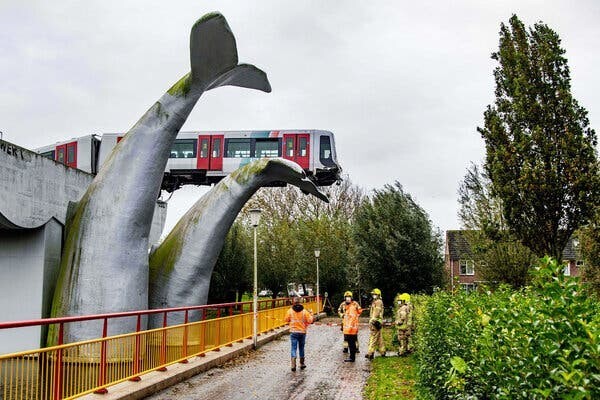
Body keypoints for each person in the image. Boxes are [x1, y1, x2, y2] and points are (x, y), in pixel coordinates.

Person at [284, 296, 314, 371]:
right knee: (301, 348)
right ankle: (302, 363)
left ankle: (293, 364)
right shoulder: (304, 312)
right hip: (302, 332)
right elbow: (310, 321)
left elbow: (286, 319)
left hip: (293, 332)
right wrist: (311, 314)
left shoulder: (290, 311)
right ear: (300, 302)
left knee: (293, 348)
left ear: (293, 302)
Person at [338, 291, 362, 362]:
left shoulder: (354, 304)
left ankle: (353, 354)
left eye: (349, 297)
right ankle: (346, 349)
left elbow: (359, 311)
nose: (348, 299)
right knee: (347, 339)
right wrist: (342, 315)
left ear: (351, 298)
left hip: (352, 327)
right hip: (346, 325)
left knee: (353, 341)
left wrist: (356, 316)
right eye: (346, 297)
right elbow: (339, 311)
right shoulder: (343, 304)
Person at [365, 288, 385, 360]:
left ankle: (370, 353)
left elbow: (376, 312)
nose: (374, 295)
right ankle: (382, 351)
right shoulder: (376, 301)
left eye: (375, 294)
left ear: (378, 295)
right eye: (373, 294)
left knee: (373, 337)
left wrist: (372, 320)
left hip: (375, 322)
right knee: (379, 338)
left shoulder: (378, 302)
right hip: (377, 321)